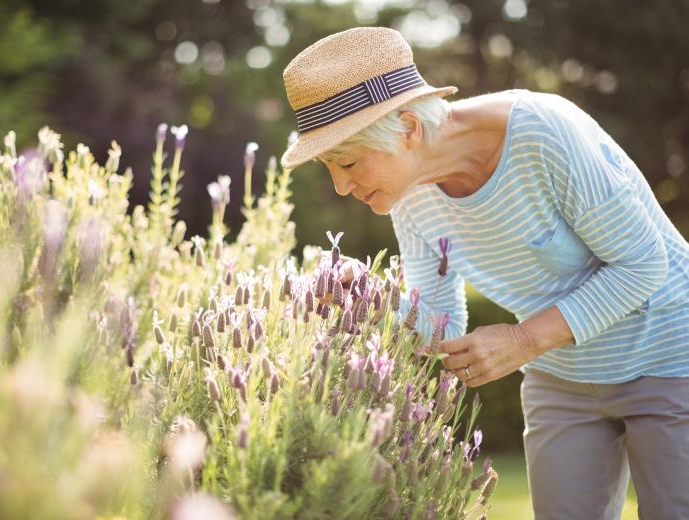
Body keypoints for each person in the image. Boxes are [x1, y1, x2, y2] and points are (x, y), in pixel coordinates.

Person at [278, 26, 689, 519]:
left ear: (409, 128)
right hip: (561, 377)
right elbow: (440, 325)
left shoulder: (543, 131)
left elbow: (643, 264)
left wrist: (522, 340)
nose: (341, 187)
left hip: (669, 356)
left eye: (346, 163)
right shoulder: (409, 198)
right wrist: (366, 300)